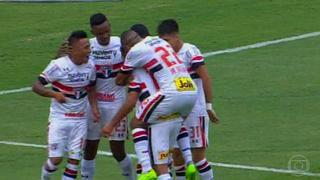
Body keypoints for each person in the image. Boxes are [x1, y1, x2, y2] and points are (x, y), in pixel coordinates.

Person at [102, 30, 198, 180]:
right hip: (189, 91)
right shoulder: (160, 41)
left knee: (137, 124)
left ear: (127, 46)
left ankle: (147, 169)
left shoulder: (136, 56)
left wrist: (111, 124)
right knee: (170, 147)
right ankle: (189, 161)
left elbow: (121, 82)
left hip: (169, 97)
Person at [32, 30, 99, 180]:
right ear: (73, 49)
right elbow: (36, 86)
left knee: (75, 161)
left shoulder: (91, 67)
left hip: (80, 120)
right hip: (59, 119)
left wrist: (94, 108)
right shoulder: (58, 66)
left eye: (89, 47)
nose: (89, 51)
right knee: (56, 160)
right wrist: (54, 94)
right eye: (85, 47)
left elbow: (92, 88)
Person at [157, 19, 219, 180]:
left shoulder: (190, 51)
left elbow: (205, 77)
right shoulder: (164, 57)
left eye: (167, 41)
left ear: (176, 36)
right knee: (177, 155)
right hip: (176, 113)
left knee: (198, 158)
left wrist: (208, 106)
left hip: (195, 112)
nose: (165, 45)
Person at [81, 13, 134, 180]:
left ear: (110, 26)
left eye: (106, 31)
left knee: (117, 150)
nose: (104, 36)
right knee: (90, 148)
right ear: (92, 32)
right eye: (99, 33)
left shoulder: (120, 44)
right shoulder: (88, 48)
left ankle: (129, 177)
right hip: (93, 104)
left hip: (116, 104)